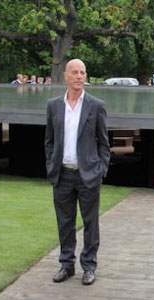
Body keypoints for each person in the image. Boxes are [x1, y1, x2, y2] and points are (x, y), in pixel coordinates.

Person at [45, 59, 110, 286]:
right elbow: (49, 140)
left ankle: (89, 266)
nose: (80, 76)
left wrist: (101, 169)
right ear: (66, 76)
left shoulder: (95, 105)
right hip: (62, 174)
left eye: (83, 72)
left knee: (91, 222)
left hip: (88, 175)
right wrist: (51, 164)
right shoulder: (54, 106)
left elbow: (104, 142)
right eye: (75, 72)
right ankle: (66, 264)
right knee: (65, 221)